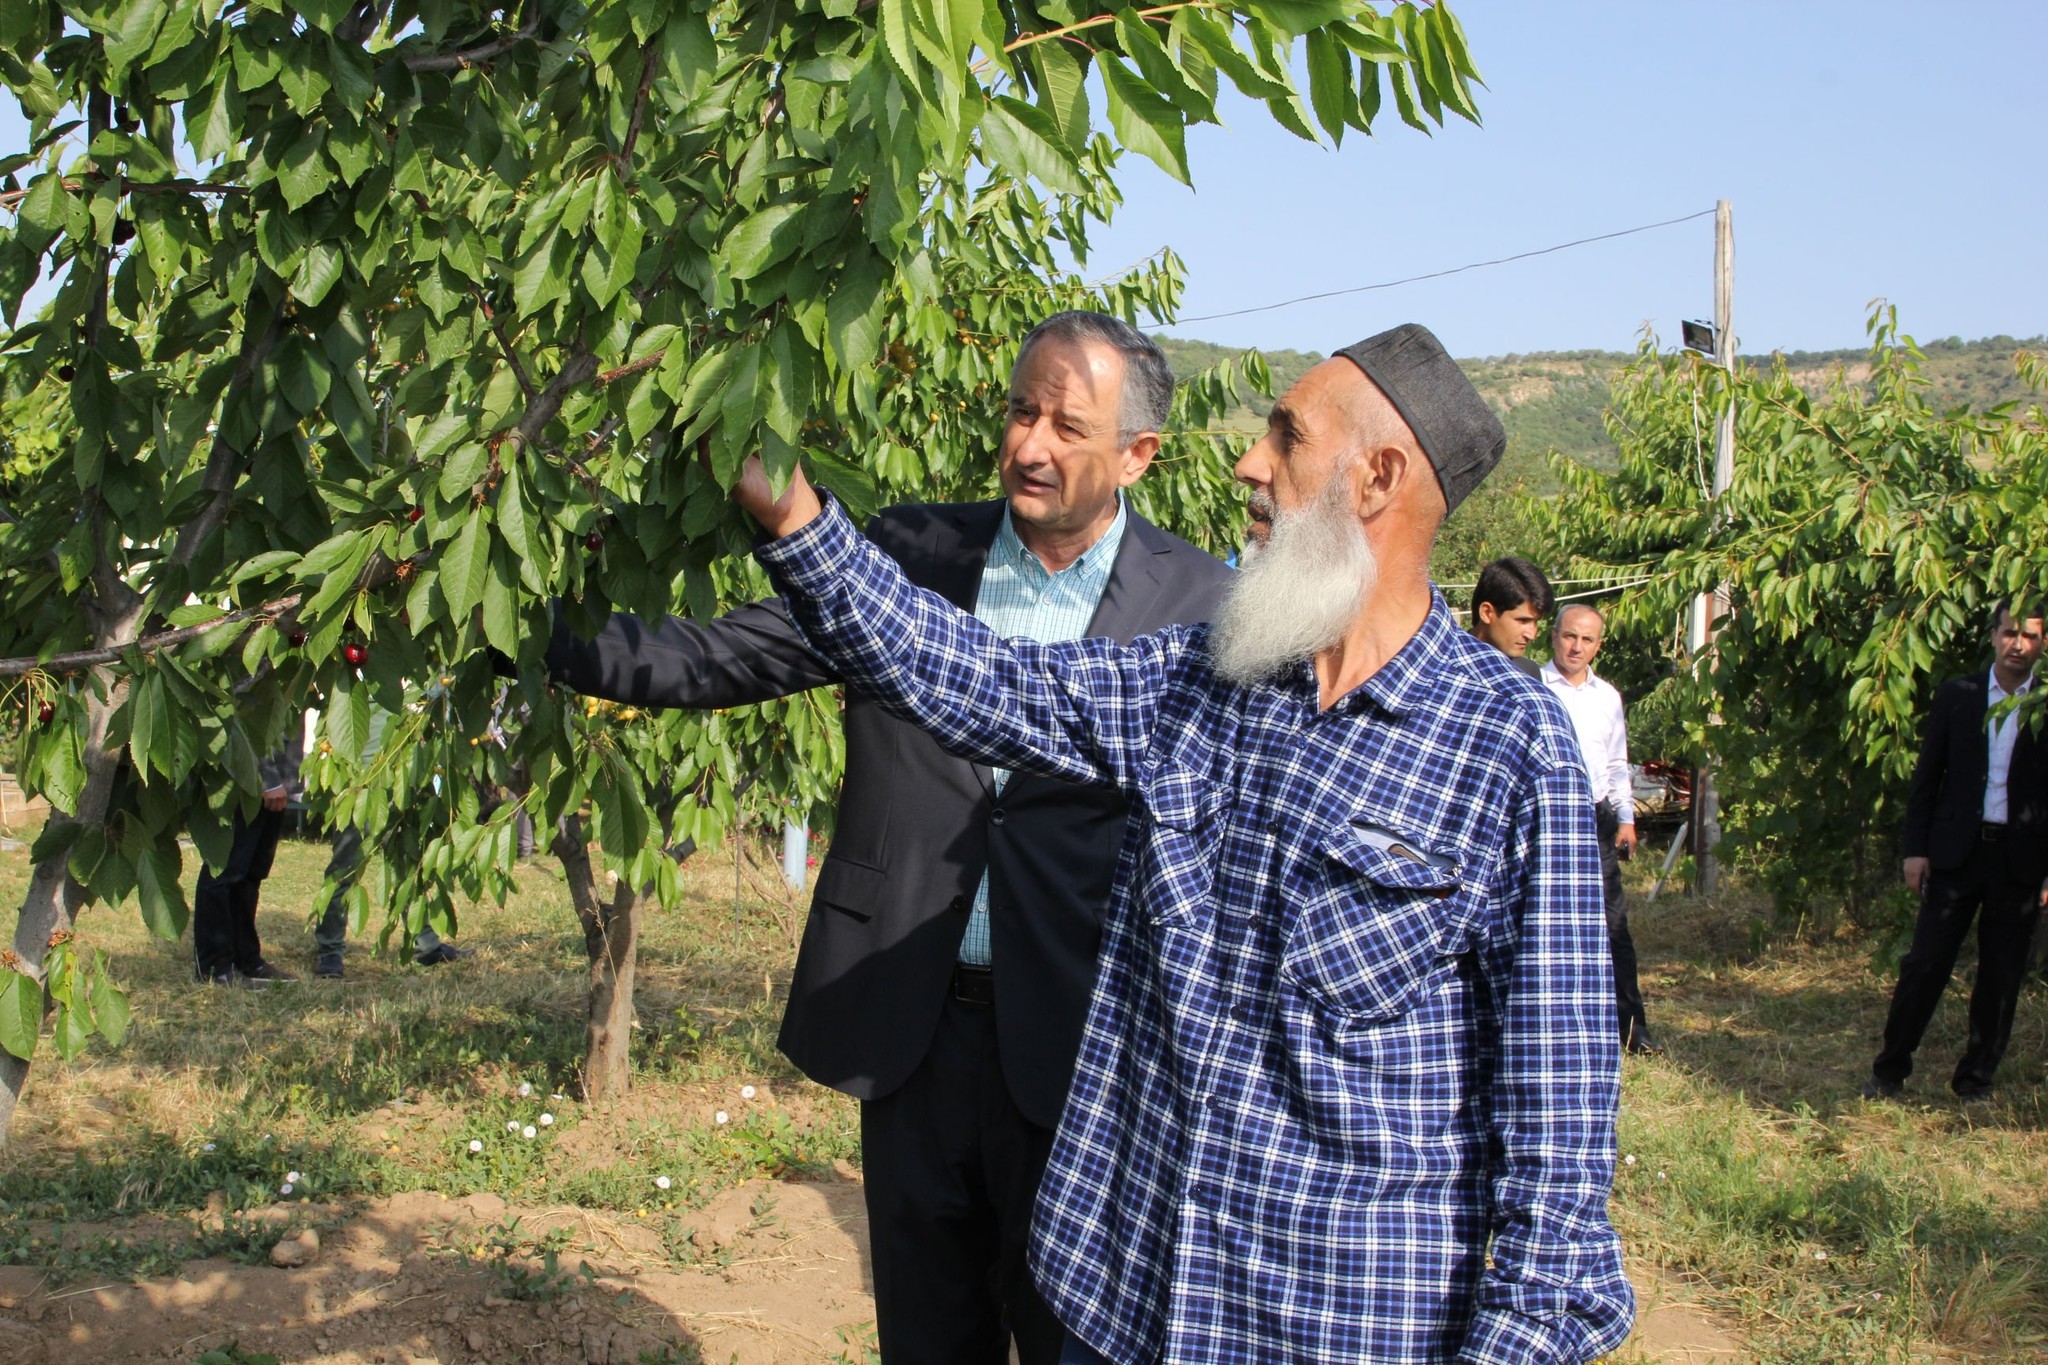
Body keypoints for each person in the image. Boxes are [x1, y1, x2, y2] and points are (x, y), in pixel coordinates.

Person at [731, 323, 1633, 1362]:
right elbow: (985, 679)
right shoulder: (1208, 677)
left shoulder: (1504, 747)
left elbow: (1558, 1123)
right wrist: (793, 515)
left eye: (1286, 437)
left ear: (1377, 479)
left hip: (1331, 1327)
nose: (1249, 462)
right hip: (1126, 1301)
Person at [542, 312, 1232, 1365]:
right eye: (1020, 411)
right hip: (915, 1023)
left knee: (1075, 1340)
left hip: (1087, 1043)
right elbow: (715, 659)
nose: (1029, 445)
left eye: (1066, 426)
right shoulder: (911, 556)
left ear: (1137, 454)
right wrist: (509, 624)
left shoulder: (1202, 604)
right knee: (926, 1335)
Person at [1866, 598, 2047, 1101]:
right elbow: (1928, 775)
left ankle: (1974, 1081)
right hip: (1955, 855)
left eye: (2029, 636)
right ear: (1993, 636)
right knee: (1925, 965)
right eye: (2009, 633)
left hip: (2020, 861)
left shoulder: (2044, 705)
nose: (2017, 645)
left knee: (2001, 975)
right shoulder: (1959, 694)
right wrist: (1915, 849)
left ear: (2042, 644)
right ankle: (1889, 1071)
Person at [1542, 604, 1661, 1056]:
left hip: (1595, 819)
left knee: (1612, 926)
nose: (1576, 647)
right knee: (1545, 925)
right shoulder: (1530, 685)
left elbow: (1616, 763)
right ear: (1554, 636)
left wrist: (1626, 819)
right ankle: (1554, 1029)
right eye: (1570, 636)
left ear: (1598, 645)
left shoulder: (1607, 696)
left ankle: (1632, 1029)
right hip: (1544, 817)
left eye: (1587, 640)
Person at [193, 740, 303, 986]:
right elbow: (240, 727)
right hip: (245, 781)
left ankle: (246, 959)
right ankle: (214, 967)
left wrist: (287, 780)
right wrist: (268, 779)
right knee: (223, 870)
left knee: (251, 873)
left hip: (277, 780)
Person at [1469, 555, 1553, 675]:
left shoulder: (1528, 672)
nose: (1531, 635)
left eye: (1536, 622)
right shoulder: (1445, 666)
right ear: (1487, 613)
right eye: (1523, 621)